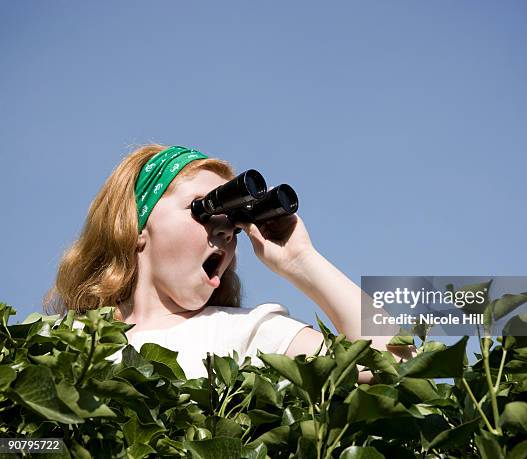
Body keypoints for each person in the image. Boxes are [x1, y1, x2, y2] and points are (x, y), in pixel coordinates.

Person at [44, 144, 414, 381]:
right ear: (137, 226)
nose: (224, 232)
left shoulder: (249, 332)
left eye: (235, 225)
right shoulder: (56, 344)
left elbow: (397, 368)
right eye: (202, 209)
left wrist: (303, 261)